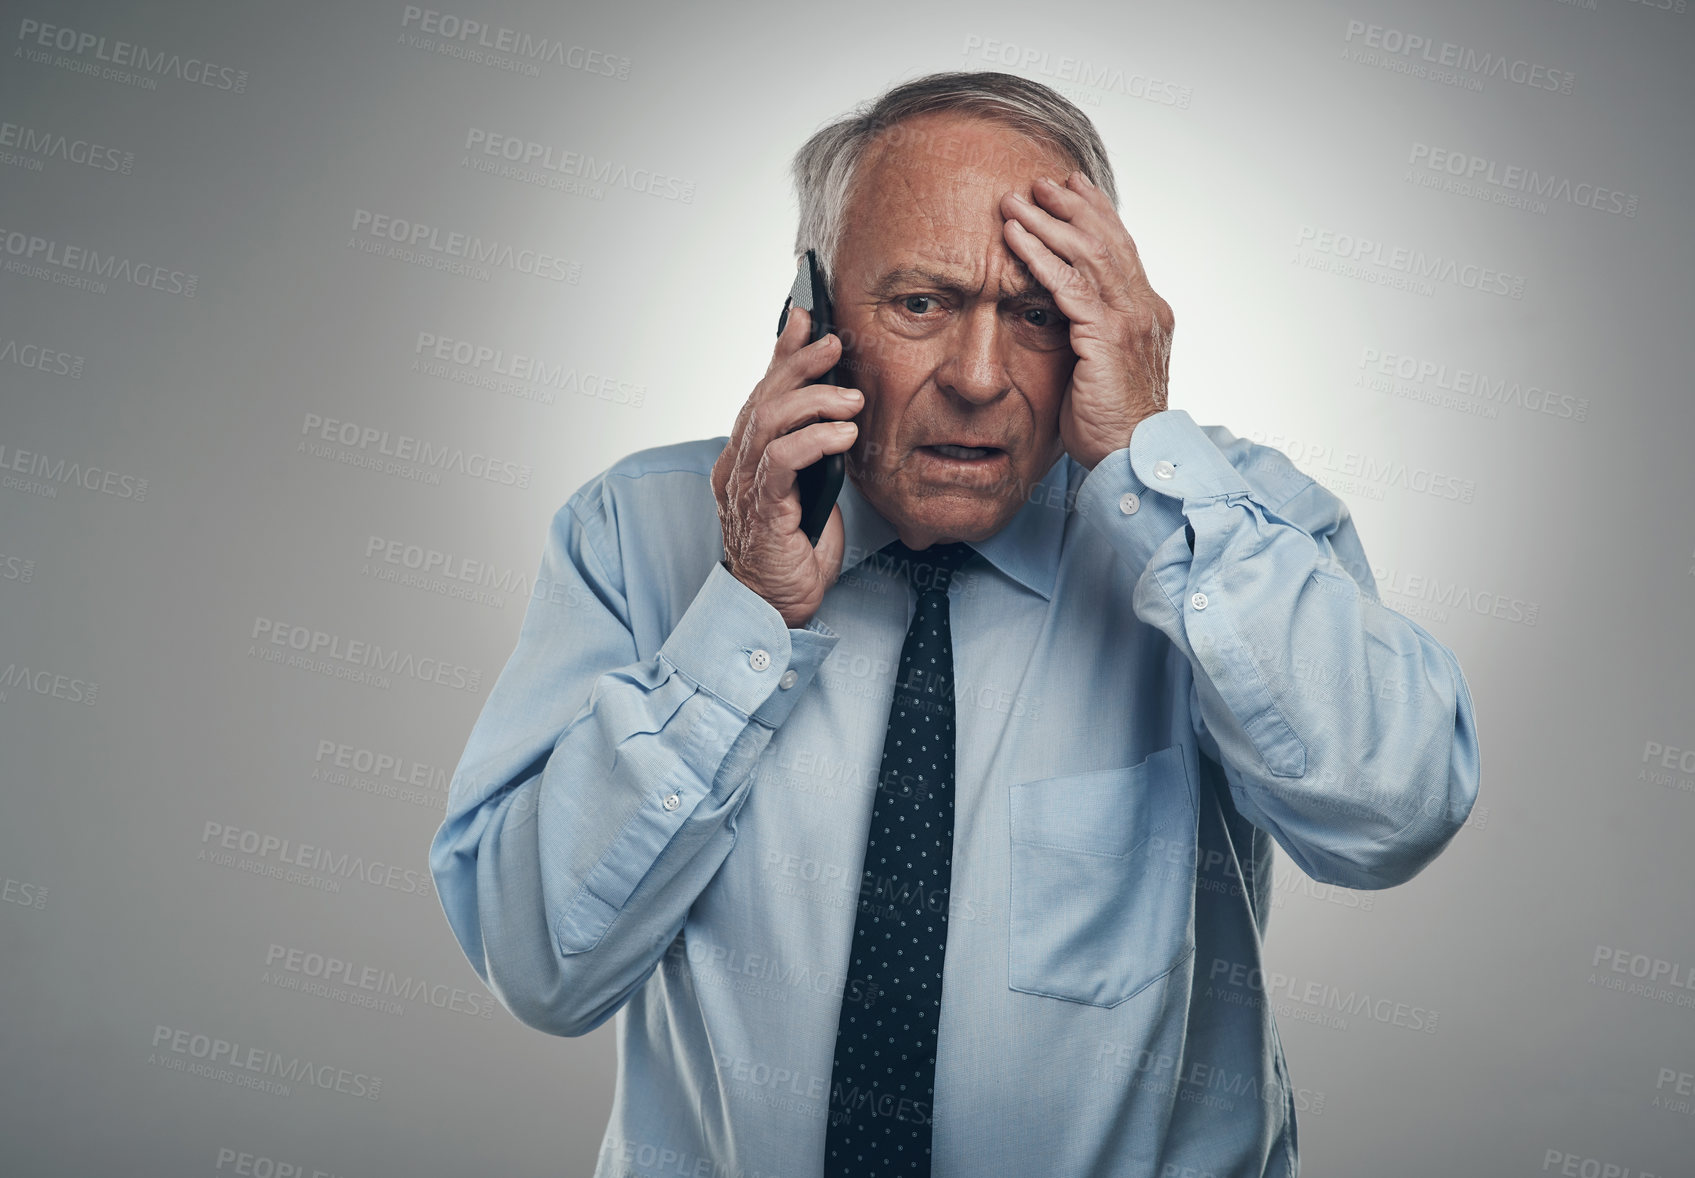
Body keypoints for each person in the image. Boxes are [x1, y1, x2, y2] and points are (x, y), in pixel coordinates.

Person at [429, 70, 1480, 1177]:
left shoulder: (1224, 525)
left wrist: (1157, 474)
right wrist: (745, 612)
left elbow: (1391, 813)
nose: (980, 377)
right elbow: (540, 960)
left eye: (1034, 312)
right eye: (922, 303)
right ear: (812, 317)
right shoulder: (637, 530)